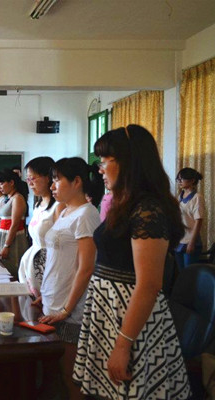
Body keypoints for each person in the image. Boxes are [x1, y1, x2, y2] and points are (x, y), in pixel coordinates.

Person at [74, 125, 191, 399]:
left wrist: (124, 344)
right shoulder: (125, 203)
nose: (100, 169)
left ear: (129, 162)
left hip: (130, 319)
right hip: (110, 312)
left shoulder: (147, 209)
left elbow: (149, 285)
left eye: (105, 161)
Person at [39, 157, 102, 400]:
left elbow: (85, 268)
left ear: (77, 182)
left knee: (71, 376)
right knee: (54, 375)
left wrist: (66, 309)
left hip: (71, 309)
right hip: (53, 300)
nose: (52, 186)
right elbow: (58, 258)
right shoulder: (65, 211)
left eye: (57, 180)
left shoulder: (86, 214)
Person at [17, 157, 64, 299]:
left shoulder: (59, 206)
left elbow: (61, 246)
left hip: (47, 267)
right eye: (27, 179)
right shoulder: (38, 204)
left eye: (33, 178)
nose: (29, 183)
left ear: (48, 177)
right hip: (33, 265)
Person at [0, 170, 28, 272]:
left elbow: (15, 224)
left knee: (11, 268)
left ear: (11, 182)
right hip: (3, 236)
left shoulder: (17, 198)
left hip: (12, 239)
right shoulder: (8, 198)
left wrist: (6, 245)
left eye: (1, 183)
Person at [175, 167, 205, 269]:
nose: (179, 181)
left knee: (189, 272)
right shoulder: (180, 196)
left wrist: (192, 242)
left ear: (192, 180)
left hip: (190, 241)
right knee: (181, 272)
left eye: (182, 179)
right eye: (178, 179)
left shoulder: (197, 197)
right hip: (180, 240)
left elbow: (198, 221)